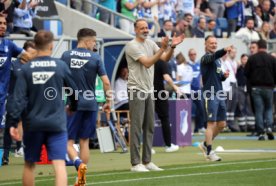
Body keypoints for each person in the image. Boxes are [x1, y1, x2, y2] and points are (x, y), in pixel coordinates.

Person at [9, 30, 78, 186]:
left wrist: (13, 123)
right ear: (52, 45)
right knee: (59, 165)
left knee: (29, 165)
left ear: (35, 45)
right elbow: (74, 91)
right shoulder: (61, 66)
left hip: (33, 124)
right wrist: (73, 106)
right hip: (57, 123)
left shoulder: (26, 69)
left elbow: (18, 99)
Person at [125, 18, 184, 172]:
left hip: (149, 90)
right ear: (136, 30)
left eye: (147, 27)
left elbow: (164, 58)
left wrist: (171, 47)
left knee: (149, 127)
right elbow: (147, 62)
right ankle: (135, 163)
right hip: (136, 89)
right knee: (137, 127)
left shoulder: (150, 43)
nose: (145, 30)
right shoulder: (132, 45)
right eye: (142, 28)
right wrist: (162, 48)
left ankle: (147, 161)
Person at [61, 28, 111, 184]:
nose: (94, 44)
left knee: (68, 142)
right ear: (87, 40)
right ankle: (80, 179)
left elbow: (60, 78)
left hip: (73, 103)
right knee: (84, 141)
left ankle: (77, 163)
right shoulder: (95, 57)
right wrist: (108, 101)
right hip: (91, 103)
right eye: (94, 41)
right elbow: (106, 82)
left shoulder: (66, 55)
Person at [2, 41, 37, 166]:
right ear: (23, 52)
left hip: (29, 102)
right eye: (30, 52)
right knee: (8, 128)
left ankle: (28, 154)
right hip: (13, 101)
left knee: (30, 128)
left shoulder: (34, 66)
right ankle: (5, 156)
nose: (32, 55)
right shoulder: (12, 64)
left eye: (34, 53)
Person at [198, 35, 232, 161]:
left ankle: (205, 144)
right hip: (210, 93)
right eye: (211, 43)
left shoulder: (218, 61)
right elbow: (213, 56)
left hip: (219, 93)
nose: (213, 45)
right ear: (205, 45)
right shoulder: (206, 58)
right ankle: (209, 152)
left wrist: (224, 76)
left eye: (215, 43)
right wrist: (223, 50)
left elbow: (217, 76)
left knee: (222, 124)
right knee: (211, 124)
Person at [0, 15, 30, 129]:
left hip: (2, 96)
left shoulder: (9, 45)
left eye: (4, 23)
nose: (3, 26)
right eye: (0, 23)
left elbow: (28, 56)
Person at [244, 39, 275, 141]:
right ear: (266, 47)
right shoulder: (272, 59)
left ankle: (261, 131)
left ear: (258, 46)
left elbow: (246, 73)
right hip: (269, 88)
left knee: (259, 110)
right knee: (269, 109)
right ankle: (269, 127)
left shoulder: (252, 59)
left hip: (256, 87)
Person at [154, 59, 180, 152]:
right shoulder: (161, 61)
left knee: (146, 120)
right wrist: (175, 87)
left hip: (145, 92)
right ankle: (168, 145)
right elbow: (167, 78)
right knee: (165, 118)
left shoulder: (145, 60)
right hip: (159, 93)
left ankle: (147, 147)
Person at [187, 48, 205, 134]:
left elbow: (200, 76)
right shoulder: (187, 65)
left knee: (201, 109)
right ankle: (189, 129)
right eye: (191, 54)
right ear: (189, 55)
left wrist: (201, 86)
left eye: (194, 54)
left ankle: (199, 127)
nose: (193, 56)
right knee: (190, 110)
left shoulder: (198, 64)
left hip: (198, 90)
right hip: (190, 91)